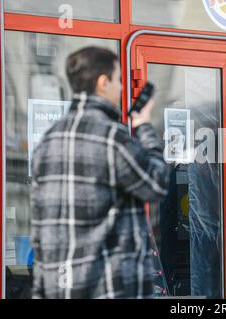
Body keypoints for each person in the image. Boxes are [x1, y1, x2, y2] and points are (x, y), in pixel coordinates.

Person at [30, 46, 170, 299]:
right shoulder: (111, 137)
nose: (121, 88)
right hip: (110, 287)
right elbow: (157, 183)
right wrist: (144, 126)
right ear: (102, 82)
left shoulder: (47, 141)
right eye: (118, 80)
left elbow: (41, 228)